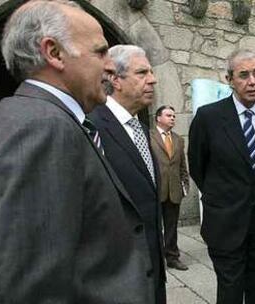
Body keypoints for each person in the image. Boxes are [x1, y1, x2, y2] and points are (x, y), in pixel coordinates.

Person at [0, 1, 156, 303]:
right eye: (100, 52)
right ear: (54, 53)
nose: (110, 65)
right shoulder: (42, 127)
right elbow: (31, 287)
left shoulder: (43, 117)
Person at [188, 49, 255, 304]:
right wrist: (222, 198)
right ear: (229, 79)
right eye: (244, 75)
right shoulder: (208, 117)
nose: (252, 81)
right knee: (230, 291)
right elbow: (198, 166)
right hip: (225, 223)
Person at [89, 44, 166, 304]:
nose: (153, 79)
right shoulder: (92, 127)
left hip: (152, 271)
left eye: (152, 72)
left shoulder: (141, 129)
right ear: (114, 79)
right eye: (142, 73)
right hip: (118, 279)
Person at [150, 105, 190, 271]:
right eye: (168, 115)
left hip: (174, 190)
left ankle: (172, 257)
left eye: (174, 116)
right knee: (154, 226)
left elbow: (182, 166)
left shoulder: (178, 139)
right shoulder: (148, 136)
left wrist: (185, 186)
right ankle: (155, 259)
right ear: (158, 118)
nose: (172, 118)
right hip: (154, 190)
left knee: (172, 227)